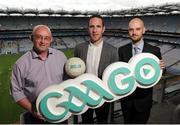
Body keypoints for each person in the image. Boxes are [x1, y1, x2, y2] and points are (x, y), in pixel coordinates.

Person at [10, 25, 67, 124]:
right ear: (31, 38)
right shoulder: (21, 64)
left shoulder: (61, 57)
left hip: (61, 112)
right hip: (36, 117)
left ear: (51, 39)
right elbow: (16, 92)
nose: (43, 41)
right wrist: (32, 110)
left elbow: (68, 82)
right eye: (39, 37)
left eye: (46, 38)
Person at [118, 17, 166, 124]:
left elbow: (160, 72)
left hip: (144, 101)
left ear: (144, 30)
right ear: (128, 31)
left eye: (138, 29)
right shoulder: (122, 50)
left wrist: (163, 67)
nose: (134, 32)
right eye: (131, 29)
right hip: (126, 101)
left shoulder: (154, 51)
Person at [74, 15, 119, 124]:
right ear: (88, 28)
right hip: (84, 94)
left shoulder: (113, 51)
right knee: (86, 121)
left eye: (98, 26)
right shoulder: (79, 48)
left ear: (103, 29)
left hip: (103, 96)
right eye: (92, 26)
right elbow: (75, 73)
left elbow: (115, 76)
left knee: (102, 121)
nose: (95, 30)